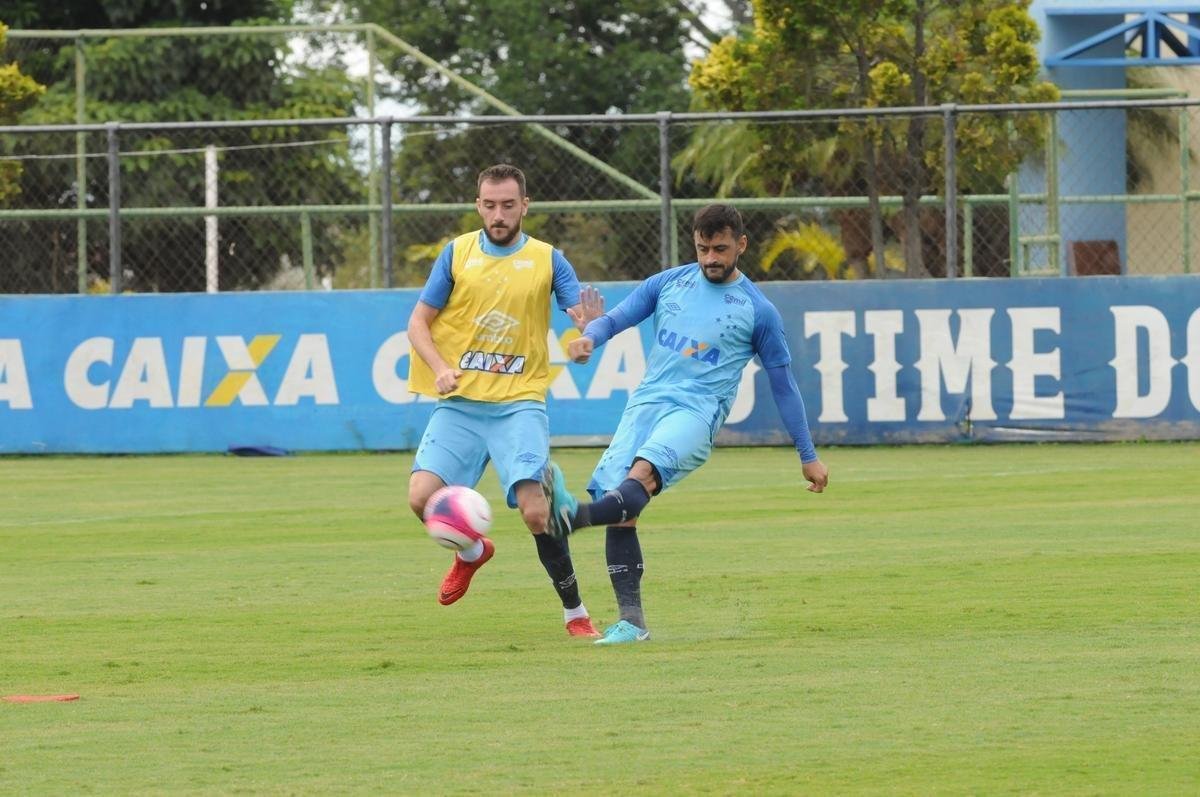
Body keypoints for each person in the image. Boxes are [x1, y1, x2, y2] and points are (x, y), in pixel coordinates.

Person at [547, 203, 830, 645]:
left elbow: (784, 384)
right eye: (703, 249)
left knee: (638, 478)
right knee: (620, 505)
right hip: (646, 405)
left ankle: (570, 518)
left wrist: (807, 454)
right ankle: (632, 622)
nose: (711, 259)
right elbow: (618, 317)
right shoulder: (668, 282)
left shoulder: (758, 311)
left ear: (741, 245)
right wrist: (589, 337)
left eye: (720, 249)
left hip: (696, 414)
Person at [406, 163, 603, 638]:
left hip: (519, 403)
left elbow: (581, 315)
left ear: (524, 206)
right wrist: (440, 369)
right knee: (420, 498)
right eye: (490, 205)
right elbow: (417, 323)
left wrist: (586, 336)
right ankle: (472, 553)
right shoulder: (457, 254)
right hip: (462, 404)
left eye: (508, 205)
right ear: (478, 205)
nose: (498, 214)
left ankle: (575, 613)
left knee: (537, 514)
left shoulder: (548, 259)